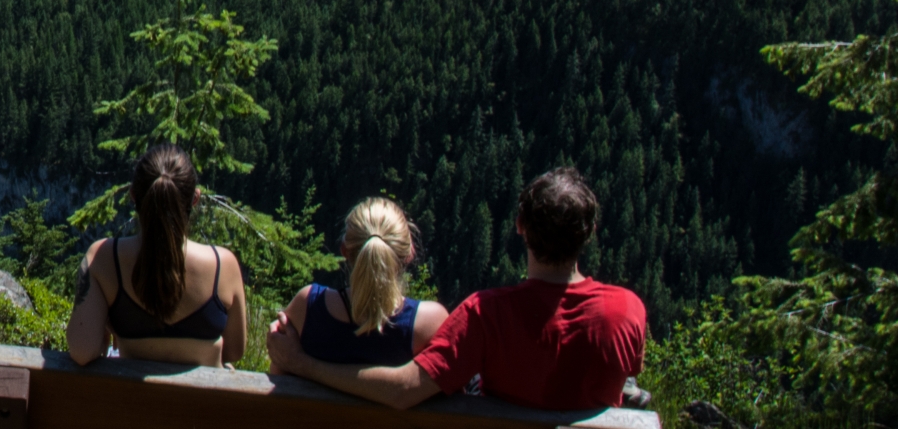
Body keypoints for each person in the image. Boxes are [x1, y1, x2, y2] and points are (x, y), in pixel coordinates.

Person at [265, 167, 646, 410]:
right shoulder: (627, 313)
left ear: (519, 227)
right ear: (591, 234)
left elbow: (404, 390)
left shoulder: (485, 316)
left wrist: (303, 364)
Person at [63, 143, 249, 367]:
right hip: (202, 403)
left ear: (133, 196)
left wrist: (109, 325)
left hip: (135, 401)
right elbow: (234, 351)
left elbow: (83, 352)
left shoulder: (104, 258)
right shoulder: (223, 265)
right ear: (195, 199)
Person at [279, 197, 449, 365]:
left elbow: (277, 382)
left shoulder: (308, 307)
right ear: (408, 255)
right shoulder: (430, 324)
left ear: (345, 251)